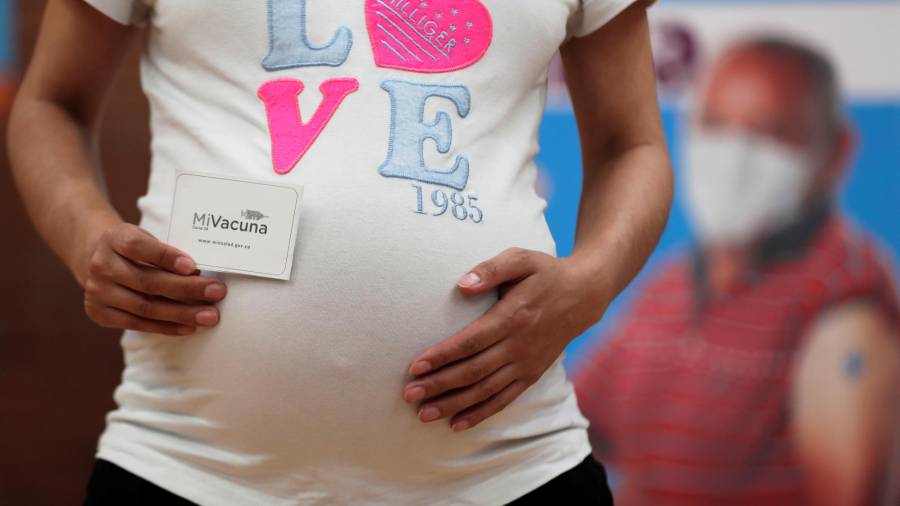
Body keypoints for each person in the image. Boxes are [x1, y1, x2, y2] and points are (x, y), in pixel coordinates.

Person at [7, 0, 672, 504]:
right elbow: (50, 104)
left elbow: (632, 145)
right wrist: (85, 237)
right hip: (185, 463)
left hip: (509, 470)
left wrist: (592, 281)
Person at [572, 36, 900, 506]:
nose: (735, 155)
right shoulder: (671, 284)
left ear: (836, 152)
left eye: (770, 132)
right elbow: (575, 431)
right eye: (715, 124)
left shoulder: (843, 308)